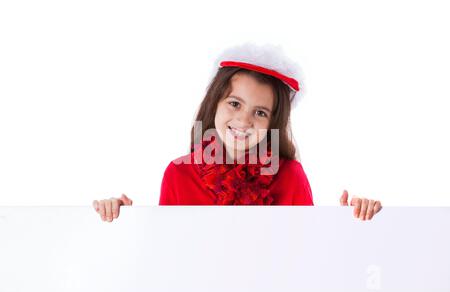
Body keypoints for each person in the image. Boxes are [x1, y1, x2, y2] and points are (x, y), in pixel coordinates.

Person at [92, 43, 382, 222]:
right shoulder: (178, 174)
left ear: (273, 123)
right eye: (234, 103)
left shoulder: (290, 175)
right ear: (214, 103)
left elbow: (311, 253)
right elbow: (166, 254)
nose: (243, 121)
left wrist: (351, 221)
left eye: (260, 112)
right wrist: (124, 221)